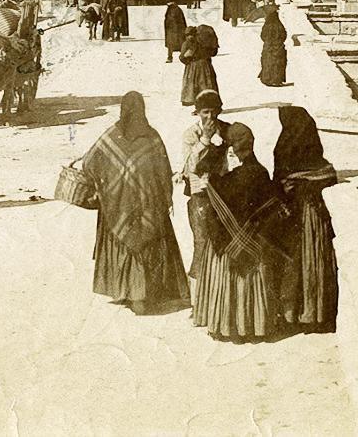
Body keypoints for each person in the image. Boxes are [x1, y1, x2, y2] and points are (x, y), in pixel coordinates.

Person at [82, 91, 190, 314]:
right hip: (148, 205)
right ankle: (144, 294)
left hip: (115, 207)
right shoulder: (152, 136)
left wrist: (106, 184)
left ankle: (125, 290)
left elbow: (88, 162)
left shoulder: (111, 136)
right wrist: (165, 197)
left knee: (124, 241)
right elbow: (164, 171)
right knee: (148, 242)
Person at [194, 123, 288, 341]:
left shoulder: (229, 179)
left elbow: (202, 169)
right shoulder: (261, 172)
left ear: (233, 147)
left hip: (229, 250)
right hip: (255, 246)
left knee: (231, 286)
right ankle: (255, 326)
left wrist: (217, 147)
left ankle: (229, 326)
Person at [273, 107, 339, 331]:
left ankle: (295, 315)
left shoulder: (283, 149)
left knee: (297, 264)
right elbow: (329, 176)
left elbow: (278, 184)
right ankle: (318, 313)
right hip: (316, 219)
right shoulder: (316, 157)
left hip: (296, 220)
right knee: (316, 263)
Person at [180, 90, 234, 286]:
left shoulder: (227, 130)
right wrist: (205, 139)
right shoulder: (191, 135)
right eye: (205, 112)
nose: (209, 117)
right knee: (202, 243)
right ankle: (198, 293)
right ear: (198, 113)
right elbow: (189, 167)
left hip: (225, 194)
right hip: (200, 196)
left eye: (213, 112)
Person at [179, 27, 218, 106]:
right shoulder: (204, 42)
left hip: (193, 67)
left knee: (195, 87)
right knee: (207, 85)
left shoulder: (187, 43)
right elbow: (213, 53)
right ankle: (210, 105)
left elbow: (182, 58)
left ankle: (199, 107)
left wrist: (187, 59)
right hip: (206, 66)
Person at [259, 5, 288, 87]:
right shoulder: (279, 24)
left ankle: (268, 79)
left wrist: (267, 41)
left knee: (268, 62)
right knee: (278, 64)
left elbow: (262, 36)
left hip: (268, 47)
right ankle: (277, 80)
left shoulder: (267, 25)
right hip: (279, 47)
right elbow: (284, 35)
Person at [163, 0, 188, 64]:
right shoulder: (170, 9)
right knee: (171, 45)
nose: (167, 4)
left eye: (168, 2)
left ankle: (183, 57)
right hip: (170, 31)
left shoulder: (177, 9)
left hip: (177, 31)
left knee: (180, 44)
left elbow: (181, 21)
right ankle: (170, 57)